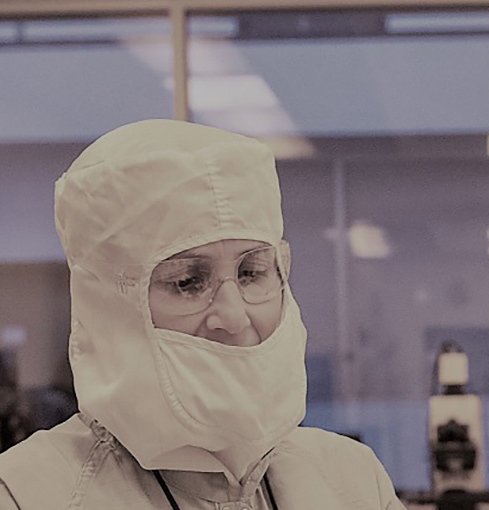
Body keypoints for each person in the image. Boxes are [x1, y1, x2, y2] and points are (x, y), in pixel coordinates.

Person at [0, 120, 405, 510]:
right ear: (110, 307)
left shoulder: (354, 480)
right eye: (187, 281)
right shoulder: (25, 493)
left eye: (252, 273)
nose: (234, 316)